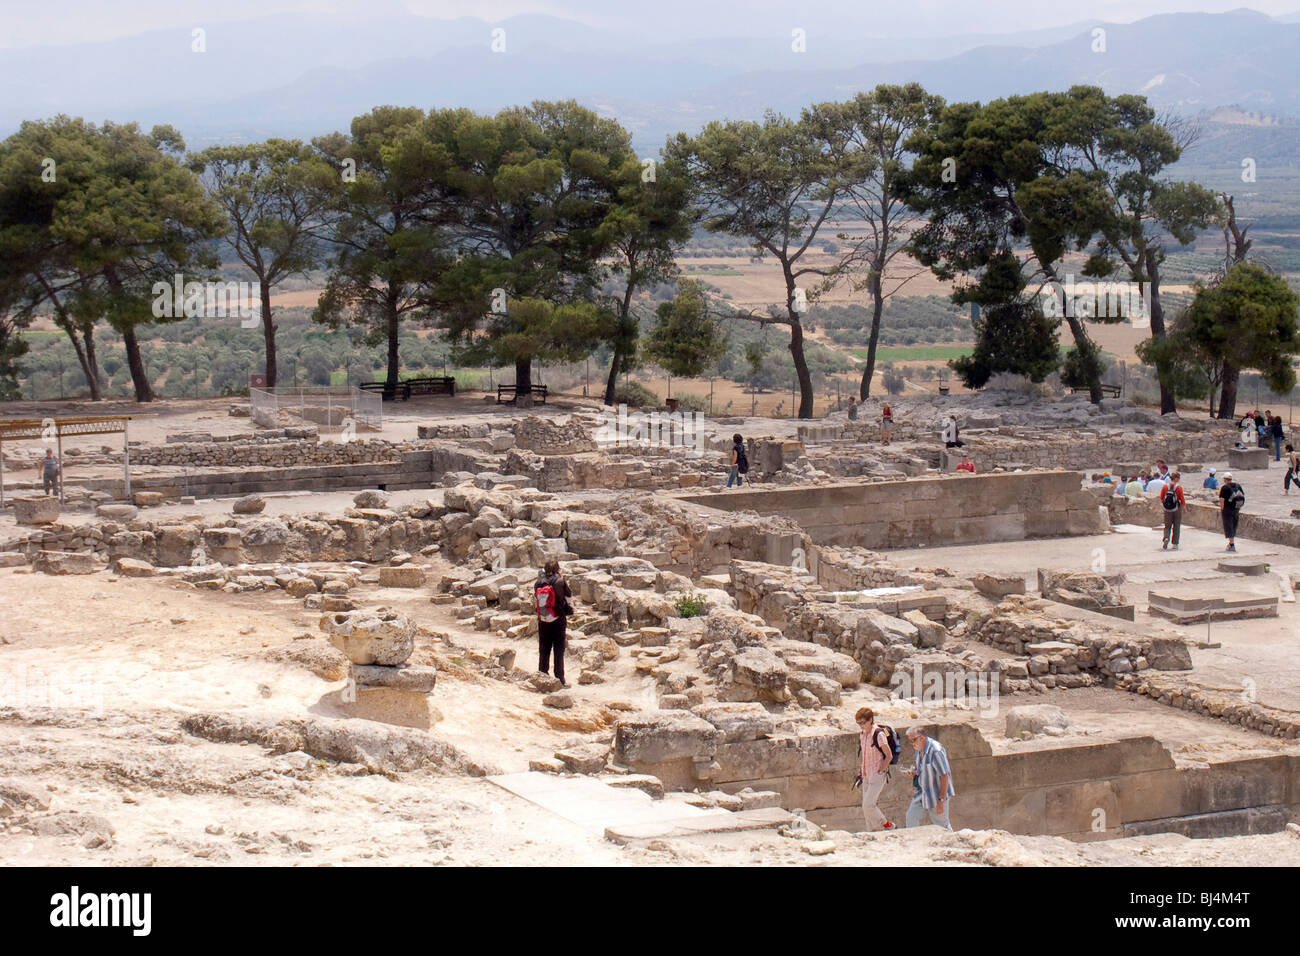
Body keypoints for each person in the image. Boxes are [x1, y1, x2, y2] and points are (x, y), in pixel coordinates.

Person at [904, 726, 954, 830]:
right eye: (910, 741)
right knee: (911, 817)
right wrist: (914, 774)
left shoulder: (936, 751)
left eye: (913, 740)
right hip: (922, 793)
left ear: (921, 738)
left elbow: (944, 776)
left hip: (937, 794)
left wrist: (941, 800)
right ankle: (914, 843)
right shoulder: (918, 749)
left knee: (941, 825)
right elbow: (923, 770)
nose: (912, 743)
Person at [534, 559, 574, 687]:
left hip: (543, 619)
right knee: (558, 649)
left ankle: (542, 675)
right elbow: (569, 594)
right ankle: (560, 679)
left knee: (544, 648)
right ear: (557, 569)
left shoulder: (538, 582)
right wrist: (561, 577)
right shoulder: (559, 581)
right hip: (558, 618)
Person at [855, 708, 895, 832]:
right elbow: (865, 754)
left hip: (877, 775)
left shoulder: (878, 734)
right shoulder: (863, 734)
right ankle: (873, 831)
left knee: (868, 805)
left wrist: (881, 771)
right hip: (866, 775)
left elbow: (889, 755)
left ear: (870, 720)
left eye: (863, 722)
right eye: (859, 723)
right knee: (866, 807)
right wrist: (862, 770)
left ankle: (887, 824)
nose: (861, 726)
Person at [1218, 472, 1245, 553]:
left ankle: (1231, 544)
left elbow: (1222, 500)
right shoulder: (1238, 485)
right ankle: (1231, 543)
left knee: (1228, 526)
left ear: (1225, 479)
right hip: (1236, 508)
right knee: (1233, 525)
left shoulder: (1224, 487)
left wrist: (1222, 509)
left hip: (1227, 509)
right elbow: (1242, 495)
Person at [1160, 471, 1186, 551]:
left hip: (1167, 509)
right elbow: (1182, 498)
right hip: (1176, 508)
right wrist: (1184, 507)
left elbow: (1161, 497)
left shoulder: (1165, 486)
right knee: (1176, 526)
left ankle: (1166, 538)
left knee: (1167, 526)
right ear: (1176, 478)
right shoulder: (1179, 487)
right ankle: (1175, 543)